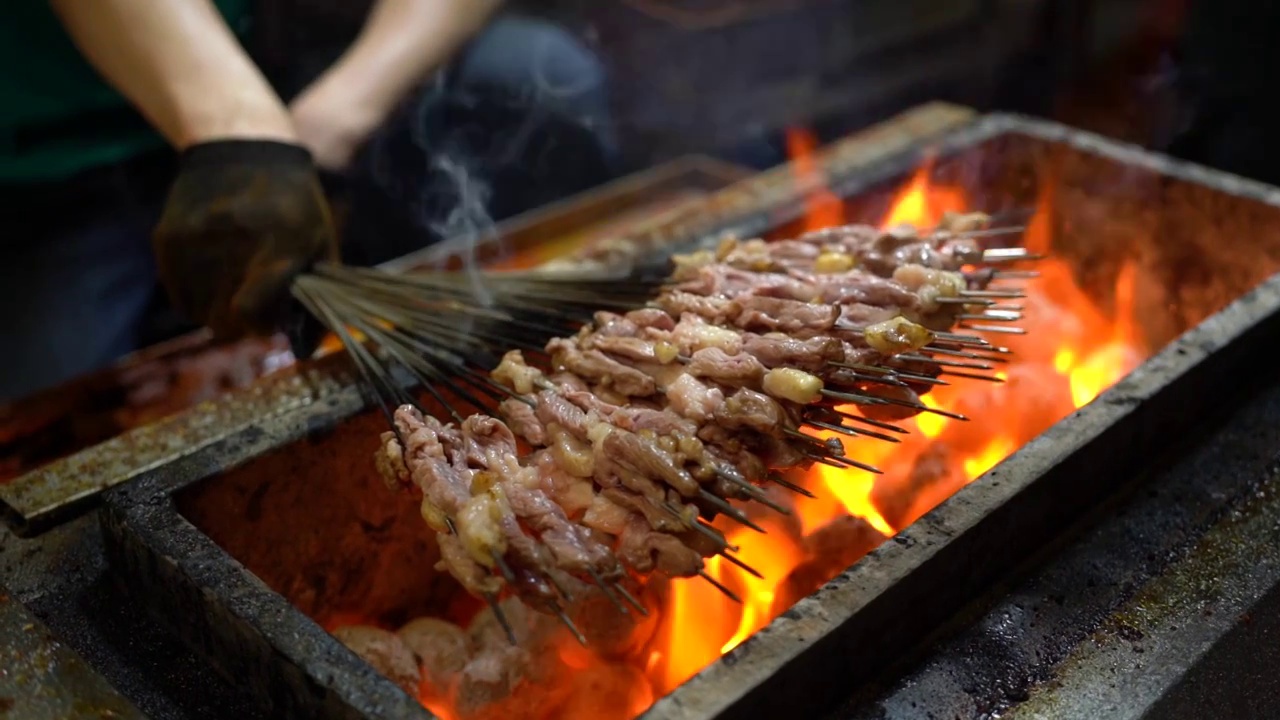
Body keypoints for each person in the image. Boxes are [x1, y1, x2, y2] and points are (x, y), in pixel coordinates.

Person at [0, 0, 612, 403]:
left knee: (533, 72)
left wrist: (336, 116)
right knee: (42, 420)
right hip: (59, 148)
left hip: (276, 61)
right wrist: (238, 132)